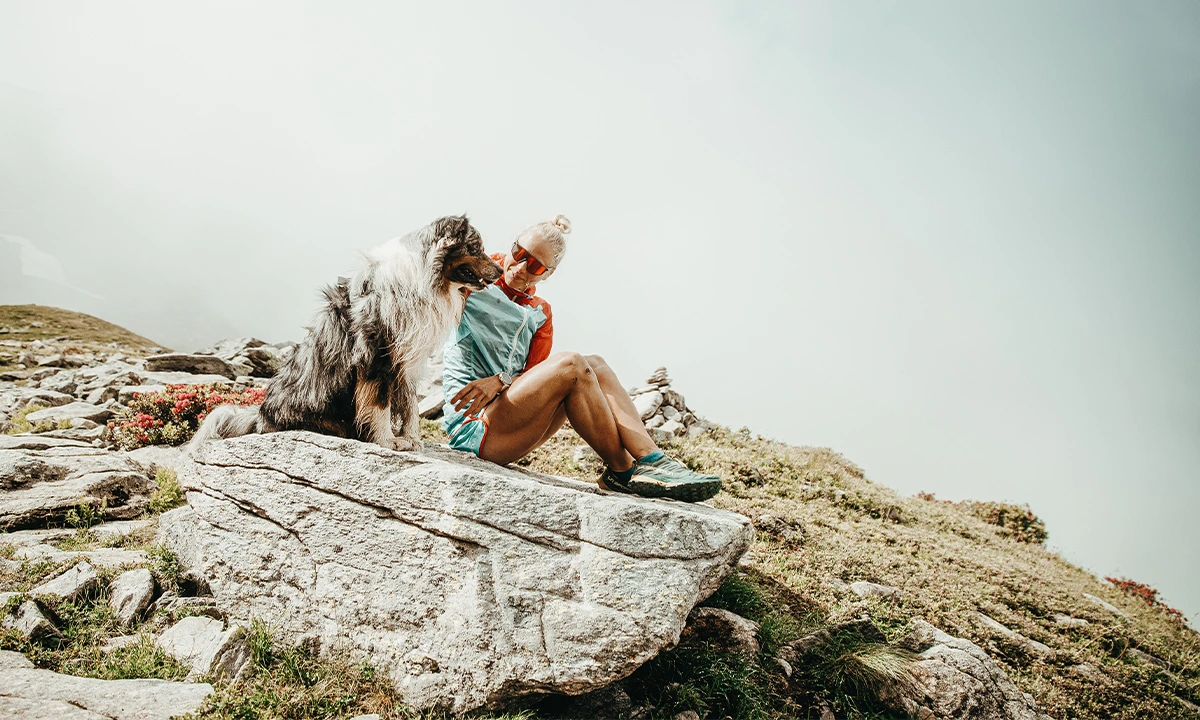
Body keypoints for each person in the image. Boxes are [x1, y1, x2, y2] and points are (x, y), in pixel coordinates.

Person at [441, 215, 721, 502]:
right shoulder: (474, 282)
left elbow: (534, 379)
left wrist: (501, 380)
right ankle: (624, 471)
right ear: (512, 246)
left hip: (511, 422)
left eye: (536, 265)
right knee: (572, 363)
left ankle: (653, 460)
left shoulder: (540, 313)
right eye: (519, 254)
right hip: (474, 427)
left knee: (595, 365)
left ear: (547, 274)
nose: (521, 267)